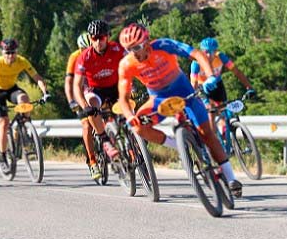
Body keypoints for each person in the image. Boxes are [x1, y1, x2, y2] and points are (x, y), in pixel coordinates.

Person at [116, 23, 243, 197]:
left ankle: (230, 178)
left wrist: (210, 76)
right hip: (159, 99)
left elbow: (196, 54)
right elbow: (123, 98)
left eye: (136, 47)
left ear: (146, 42)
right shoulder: (126, 64)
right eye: (128, 49)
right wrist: (130, 116)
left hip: (184, 92)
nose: (134, 53)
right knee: (138, 127)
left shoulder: (163, 45)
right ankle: (178, 145)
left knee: (206, 133)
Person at [0, 37, 50, 169]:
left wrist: (45, 92)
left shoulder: (21, 61)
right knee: (4, 123)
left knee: (24, 99)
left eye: (13, 52)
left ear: (17, 52)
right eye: (7, 53)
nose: (10, 56)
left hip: (11, 89)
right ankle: (2, 156)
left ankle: (22, 127)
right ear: (2, 52)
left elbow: (37, 77)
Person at [73, 19, 124, 179]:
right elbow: (75, 85)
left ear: (107, 37)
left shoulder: (117, 49)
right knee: (90, 112)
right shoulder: (84, 57)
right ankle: (102, 144)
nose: (98, 41)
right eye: (94, 38)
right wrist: (84, 106)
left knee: (129, 110)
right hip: (95, 90)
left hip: (115, 86)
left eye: (101, 37)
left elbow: (132, 66)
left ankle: (135, 145)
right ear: (90, 38)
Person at [190, 37, 256, 135]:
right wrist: (193, 98)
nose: (209, 55)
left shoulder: (221, 57)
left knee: (225, 110)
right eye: (206, 52)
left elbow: (237, 72)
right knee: (210, 111)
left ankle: (226, 137)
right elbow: (194, 83)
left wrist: (249, 87)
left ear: (216, 51)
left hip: (217, 85)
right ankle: (213, 139)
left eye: (212, 52)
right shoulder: (196, 63)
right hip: (202, 88)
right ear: (201, 52)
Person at [64, 32, 96, 171]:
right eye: (84, 49)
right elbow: (68, 82)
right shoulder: (74, 57)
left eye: (90, 48)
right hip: (80, 91)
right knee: (87, 125)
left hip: (95, 88)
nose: (87, 52)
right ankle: (92, 160)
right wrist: (71, 100)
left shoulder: (98, 53)